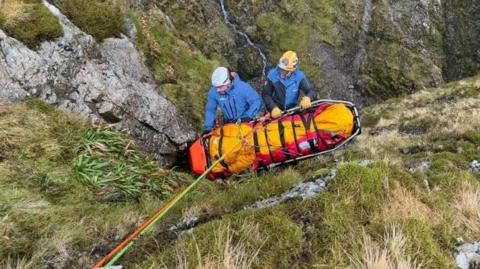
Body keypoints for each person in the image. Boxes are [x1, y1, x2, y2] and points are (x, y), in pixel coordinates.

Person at [203, 67, 262, 134]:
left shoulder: (243, 87)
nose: (218, 90)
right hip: (228, 125)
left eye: (220, 87)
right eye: (217, 87)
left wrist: (248, 116)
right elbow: (210, 110)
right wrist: (207, 128)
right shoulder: (214, 91)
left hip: (246, 122)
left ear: (228, 82)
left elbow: (257, 101)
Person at [262, 51, 317, 119]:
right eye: (280, 69)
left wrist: (308, 98)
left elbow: (311, 91)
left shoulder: (299, 76)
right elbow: (266, 94)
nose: (281, 74)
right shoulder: (272, 74)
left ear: (292, 70)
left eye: (285, 71)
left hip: (292, 110)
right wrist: (273, 107)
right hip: (276, 111)